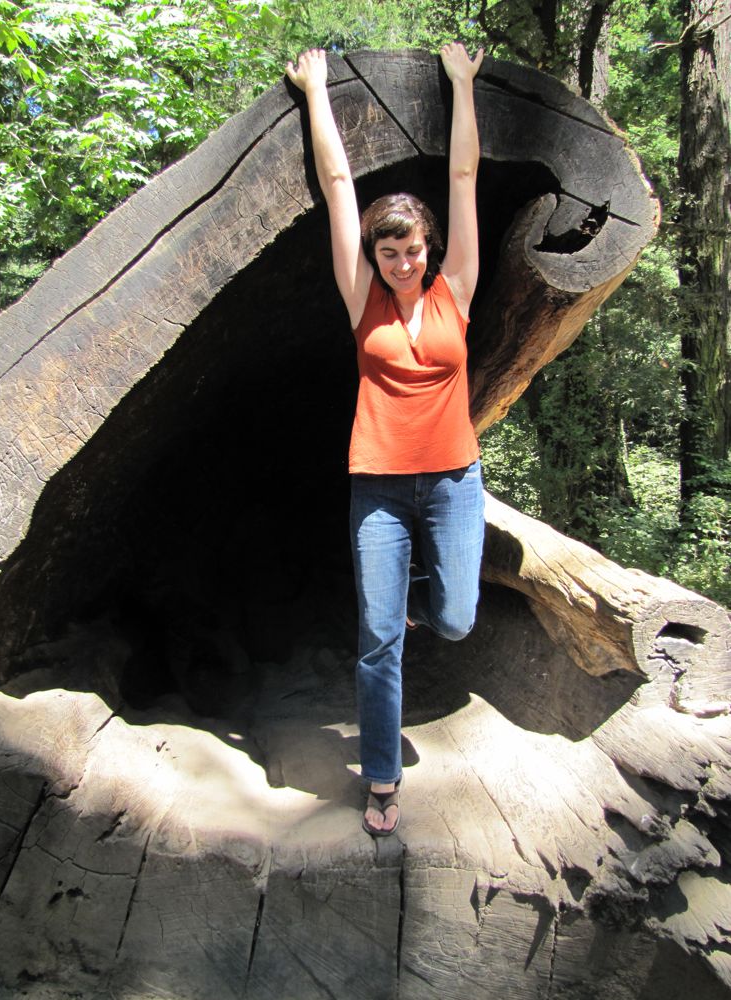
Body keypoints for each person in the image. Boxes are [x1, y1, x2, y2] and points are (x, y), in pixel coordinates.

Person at [286, 44, 485, 837]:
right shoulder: (361, 298)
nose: (403, 261)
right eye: (389, 250)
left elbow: (463, 178)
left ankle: (412, 603)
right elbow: (340, 186)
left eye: (413, 249)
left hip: (452, 484)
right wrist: (315, 93)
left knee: (461, 616)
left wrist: (463, 86)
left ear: (429, 247)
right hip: (377, 487)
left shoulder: (456, 292)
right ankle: (379, 775)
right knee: (376, 642)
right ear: (374, 256)